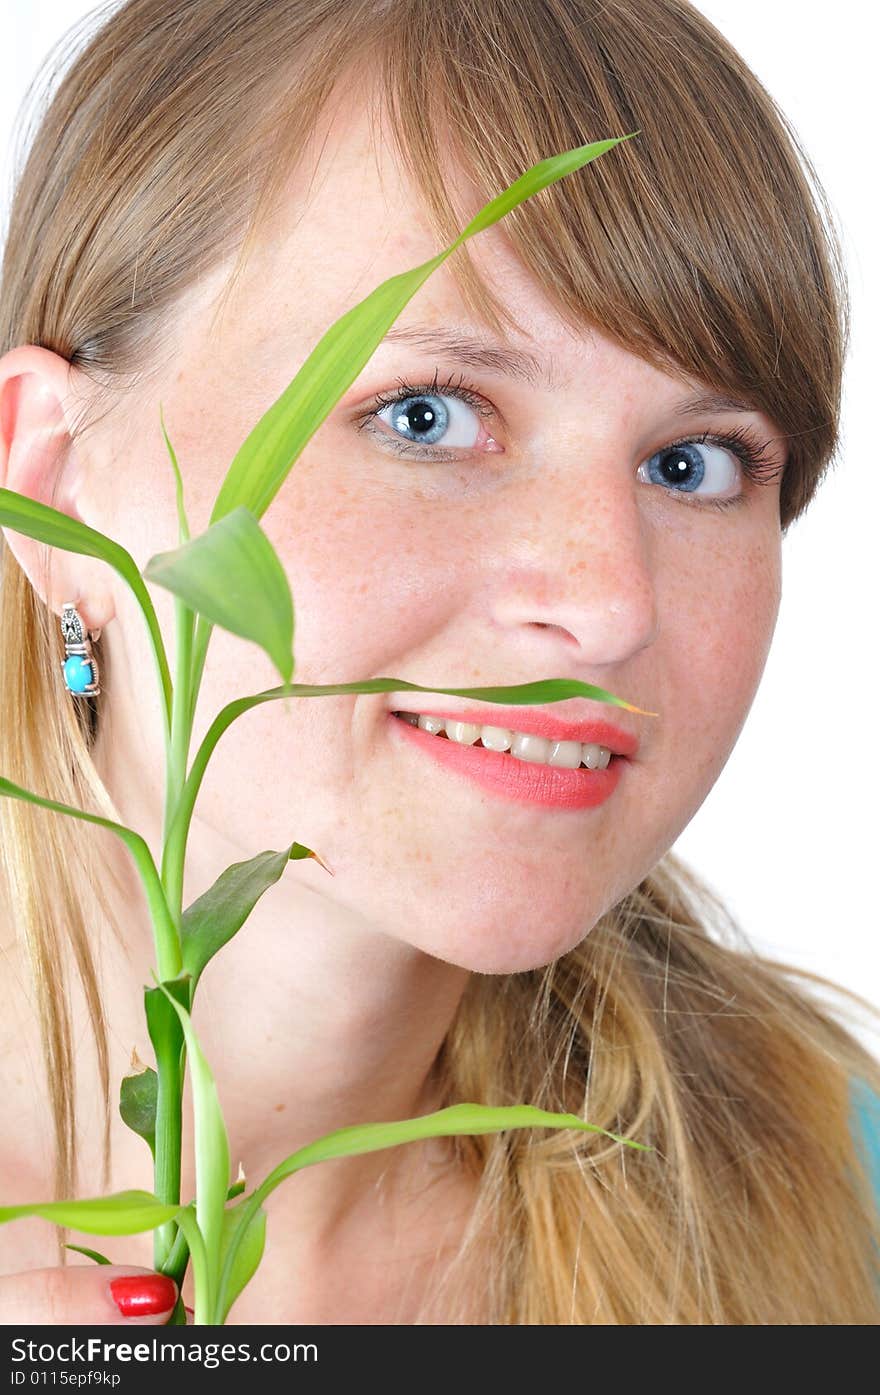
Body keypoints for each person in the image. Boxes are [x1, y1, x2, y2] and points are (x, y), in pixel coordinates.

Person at [0, 0, 877, 1327]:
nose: (607, 605)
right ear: (54, 485)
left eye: (693, 463)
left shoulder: (838, 1185)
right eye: (426, 416)